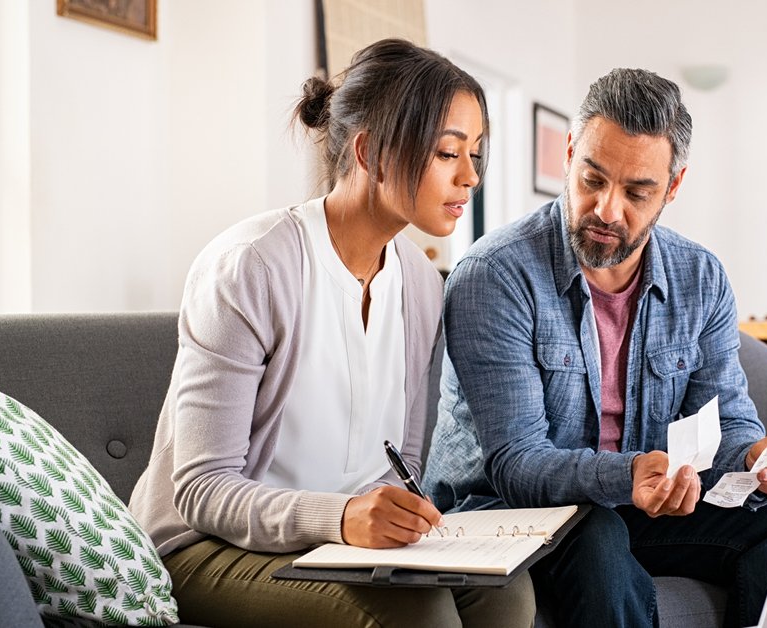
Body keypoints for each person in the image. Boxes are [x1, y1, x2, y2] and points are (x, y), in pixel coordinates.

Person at [129, 39, 534, 628]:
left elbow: (404, 459)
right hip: (204, 548)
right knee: (417, 614)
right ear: (369, 151)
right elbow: (202, 488)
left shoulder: (423, 285)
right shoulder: (251, 268)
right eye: (449, 153)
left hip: (338, 546)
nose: (470, 176)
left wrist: (400, 518)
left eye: (476, 153)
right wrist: (340, 519)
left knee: (508, 593)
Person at [424, 68, 767, 628]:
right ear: (569, 154)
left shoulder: (700, 277)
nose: (607, 210)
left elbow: (727, 417)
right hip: (500, 511)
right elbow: (516, 464)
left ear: (673, 188)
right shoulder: (495, 275)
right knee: (598, 533)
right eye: (593, 179)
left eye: (637, 192)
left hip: (634, 501)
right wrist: (630, 475)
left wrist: (756, 460)